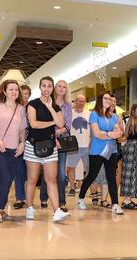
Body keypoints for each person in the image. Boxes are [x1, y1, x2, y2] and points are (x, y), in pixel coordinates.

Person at [24, 76, 69, 222]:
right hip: (33, 145)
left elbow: (61, 124)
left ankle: (56, 210)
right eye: (44, 86)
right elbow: (33, 124)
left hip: (50, 146)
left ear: (52, 88)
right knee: (32, 179)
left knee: (52, 179)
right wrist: (51, 121)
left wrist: (50, 107)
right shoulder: (33, 104)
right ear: (40, 87)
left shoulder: (55, 106)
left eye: (49, 86)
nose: (46, 89)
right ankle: (30, 207)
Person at [77, 92, 124, 214]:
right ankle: (81, 198)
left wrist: (107, 134)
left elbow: (119, 133)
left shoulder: (114, 117)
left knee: (111, 177)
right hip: (96, 150)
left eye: (110, 99)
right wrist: (110, 134)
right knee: (92, 175)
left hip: (111, 150)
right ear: (100, 99)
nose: (108, 100)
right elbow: (96, 133)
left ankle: (115, 204)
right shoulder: (94, 114)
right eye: (105, 98)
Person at [0, 79, 27, 223]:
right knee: (4, 177)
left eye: (16, 90)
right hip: (0, 149)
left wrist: (22, 143)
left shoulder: (20, 109)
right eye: (11, 89)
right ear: (4, 91)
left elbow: (22, 129)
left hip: (15, 151)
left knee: (9, 180)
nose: (14, 92)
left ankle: (2, 209)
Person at [67, 94, 90, 196]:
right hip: (73, 146)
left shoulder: (89, 114)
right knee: (71, 167)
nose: (81, 103)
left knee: (89, 168)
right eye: (79, 101)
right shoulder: (69, 114)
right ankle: (72, 187)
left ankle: (86, 188)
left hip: (87, 145)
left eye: (83, 101)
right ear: (75, 102)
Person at [54, 80, 72, 211]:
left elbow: (68, 125)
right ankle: (44, 197)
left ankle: (62, 202)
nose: (61, 89)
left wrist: (58, 132)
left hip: (62, 142)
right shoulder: (48, 102)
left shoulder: (67, 106)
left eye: (64, 87)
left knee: (61, 173)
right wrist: (52, 133)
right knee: (48, 172)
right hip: (48, 141)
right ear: (55, 88)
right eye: (59, 86)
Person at [12, 84, 31, 209]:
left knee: (29, 173)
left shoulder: (32, 107)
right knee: (18, 171)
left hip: (30, 143)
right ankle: (19, 198)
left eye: (26, 94)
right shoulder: (15, 108)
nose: (24, 96)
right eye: (22, 93)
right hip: (16, 143)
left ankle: (28, 197)